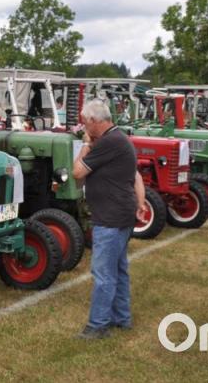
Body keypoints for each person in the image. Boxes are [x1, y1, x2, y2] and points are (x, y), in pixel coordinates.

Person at [72, 99, 149, 339]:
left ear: (95, 122)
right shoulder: (119, 138)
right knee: (119, 269)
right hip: (121, 213)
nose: (85, 127)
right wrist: (140, 202)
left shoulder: (108, 142)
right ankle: (121, 318)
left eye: (86, 123)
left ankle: (97, 326)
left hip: (110, 217)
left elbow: (77, 173)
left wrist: (85, 145)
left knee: (103, 273)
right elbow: (135, 175)